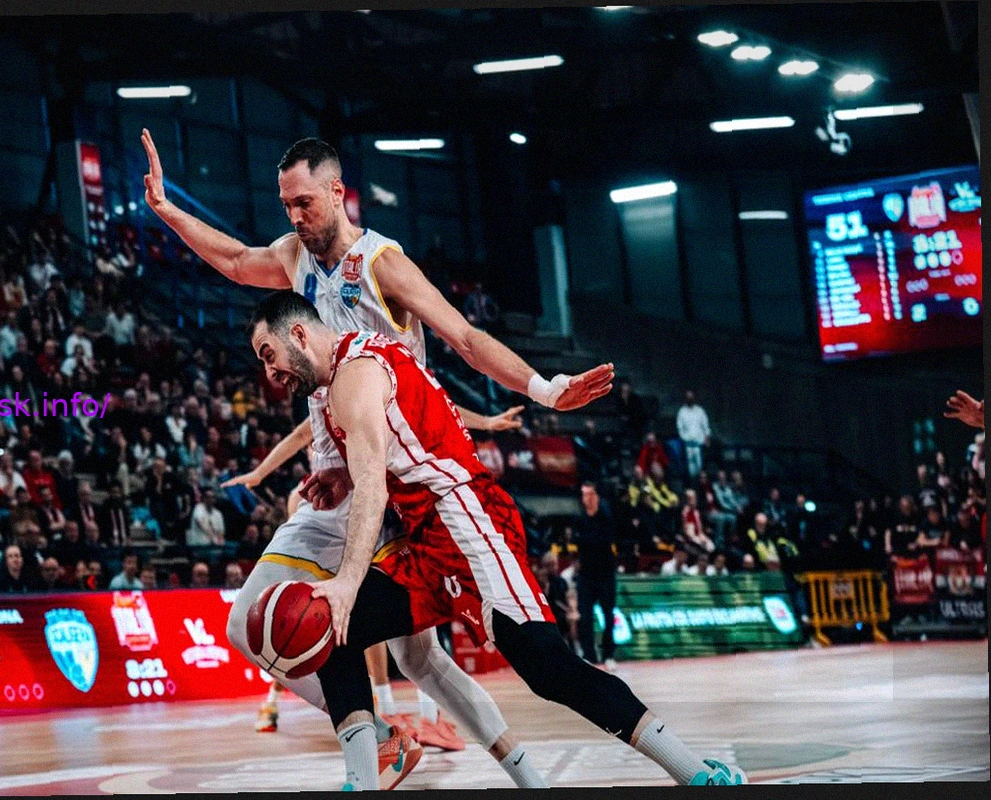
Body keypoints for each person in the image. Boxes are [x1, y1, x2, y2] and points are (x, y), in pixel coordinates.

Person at [144, 132, 612, 774]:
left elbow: (465, 338)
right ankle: (403, 745)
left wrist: (545, 389)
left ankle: (444, 760)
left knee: (411, 655)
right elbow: (233, 259)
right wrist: (167, 210)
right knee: (275, 630)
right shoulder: (292, 257)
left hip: (397, 482)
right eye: (285, 205)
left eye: (304, 202)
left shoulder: (382, 263)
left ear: (337, 193)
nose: (293, 216)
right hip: (338, 481)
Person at [246, 292, 745, 790]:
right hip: (425, 540)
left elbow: (375, 483)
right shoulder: (349, 374)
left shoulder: (354, 374)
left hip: (467, 521)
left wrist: (347, 581)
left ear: (299, 334)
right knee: (335, 630)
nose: (269, 373)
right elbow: (399, 451)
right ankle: (362, 781)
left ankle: (696, 773)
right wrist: (342, 480)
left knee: (548, 668)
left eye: (269, 355)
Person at [573, 481, 618, 668]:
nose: (587, 498)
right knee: (585, 616)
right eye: (584, 494)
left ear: (597, 496)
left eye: (590, 494)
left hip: (605, 574)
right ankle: (589, 656)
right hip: (586, 575)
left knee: (608, 615)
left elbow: (605, 542)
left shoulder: (606, 518)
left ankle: (609, 655)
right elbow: (577, 544)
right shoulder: (579, 519)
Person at [675, 390, 711, 480]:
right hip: (688, 444)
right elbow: (680, 428)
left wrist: (707, 437)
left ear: (694, 398)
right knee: (690, 468)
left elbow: (706, 425)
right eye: (688, 397)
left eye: (691, 397)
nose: (690, 399)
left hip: (699, 444)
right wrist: (684, 439)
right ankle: (692, 482)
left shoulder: (700, 411)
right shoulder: (682, 412)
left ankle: (700, 482)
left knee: (700, 466)